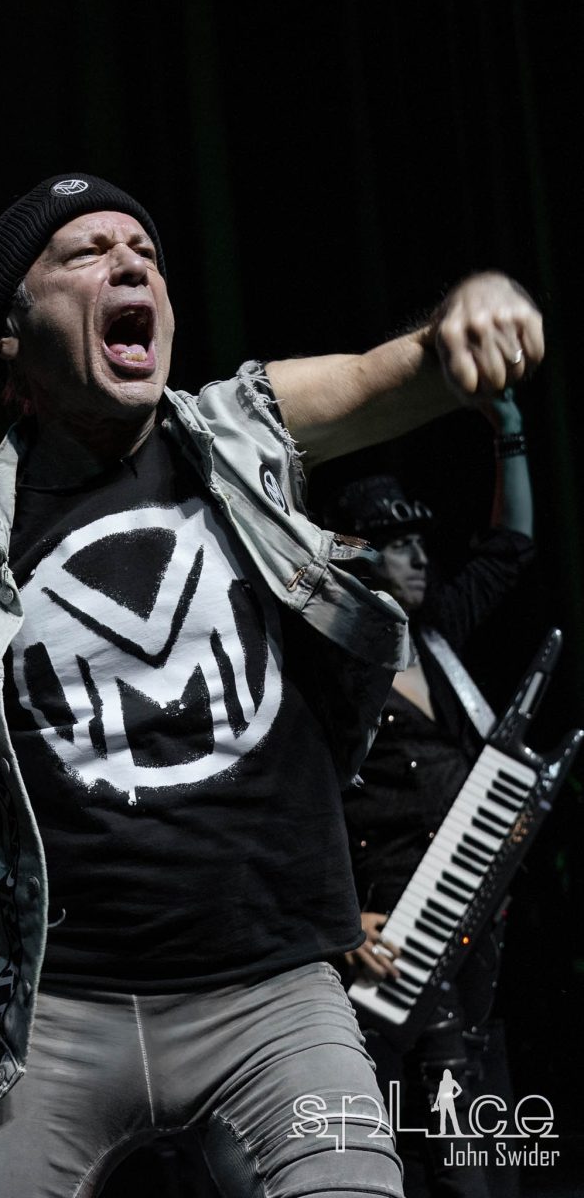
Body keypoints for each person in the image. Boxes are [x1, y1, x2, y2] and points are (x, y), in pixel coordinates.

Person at [0, 173, 543, 1198]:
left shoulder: (240, 429)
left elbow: (399, 371)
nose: (129, 262)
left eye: (144, 251)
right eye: (86, 252)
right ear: (11, 336)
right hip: (51, 1014)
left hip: (273, 1000)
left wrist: (475, 309)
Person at [328, 389, 534, 1197]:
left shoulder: (438, 633)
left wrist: (509, 432)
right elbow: (299, 808)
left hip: (473, 924)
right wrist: (338, 921)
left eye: (420, 543)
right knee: (423, 1150)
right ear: (360, 560)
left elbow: (509, 549)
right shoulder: (332, 675)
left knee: (487, 1139)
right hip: (391, 935)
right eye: (396, 545)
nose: (418, 558)